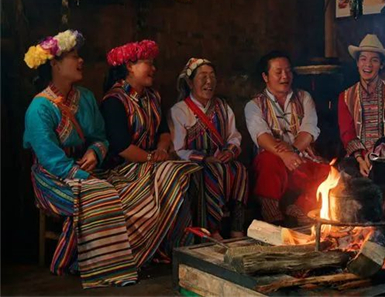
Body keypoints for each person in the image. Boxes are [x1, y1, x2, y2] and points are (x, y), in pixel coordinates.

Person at [23, 30, 136, 288]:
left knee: (128, 190)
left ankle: (110, 260)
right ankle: (71, 262)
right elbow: (52, 161)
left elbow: (100, 137)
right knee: (99, 194)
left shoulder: (84, 97)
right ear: (55, 64)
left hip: (85, 170)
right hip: (52, 178)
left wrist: (95, 152)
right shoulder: (39, 108)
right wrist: (86, 177)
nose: (81, 60)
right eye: (74, 56)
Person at [100, 40, 200, 266]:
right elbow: (122, 147)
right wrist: (151, 158)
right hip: (123, 170)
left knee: (185, 171)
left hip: (152, 163)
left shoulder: (153, 97)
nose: (153, 69)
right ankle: (154, 246)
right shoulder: (114, 101)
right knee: (171, 173)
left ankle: (179, 245)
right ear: (129, 66)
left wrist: (162, 150)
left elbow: (163, 132)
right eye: (148, 63)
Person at [245, 51, 330, 225]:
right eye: (278, 72)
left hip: (300, 157)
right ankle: (273, 215)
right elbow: (261, 135)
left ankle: (300, 209)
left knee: (328, 172)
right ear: (265, 77)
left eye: (288, 71)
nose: (285, 76)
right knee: (268, 161)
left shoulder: (304, 98)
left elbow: (309, 128)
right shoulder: (254, 105)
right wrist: (284, 155)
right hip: (273, 163)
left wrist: (293, 151)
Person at [170, 58, 248, 240]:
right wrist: (205, 159)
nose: (209, 82)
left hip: (221, 160)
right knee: (211, 172)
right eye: (203, 77)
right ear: (190, 83)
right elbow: (177, 149)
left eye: (212, 76)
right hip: (195, 164)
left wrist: (229, 151)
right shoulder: (179, 110)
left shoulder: (222, 107)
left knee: (240, 170)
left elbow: (234, 135)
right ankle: (212, 230)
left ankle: (237, 228)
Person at [338, 34, 385, 177]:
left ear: (381, 64)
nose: (368, 65)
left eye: (374, 60)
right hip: (358, 157)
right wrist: (361, 159)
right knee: (346, 170)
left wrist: (377, 152)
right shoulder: (345, 97)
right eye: (363, 59)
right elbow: (347, 133)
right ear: (357, 63)